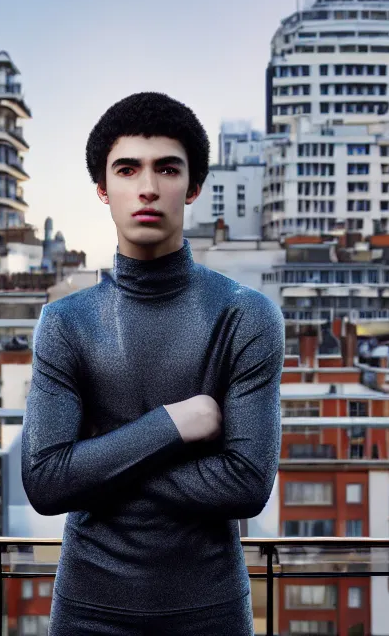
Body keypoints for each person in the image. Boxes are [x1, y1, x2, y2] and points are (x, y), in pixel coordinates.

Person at [21, 92, 285, 635]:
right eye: (127, 169)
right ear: (103, 189)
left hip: (210, 614)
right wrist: (174, 426)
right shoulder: (65, 323)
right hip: (87, 612)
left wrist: (98, 458)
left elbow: (247, 484)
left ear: (191, 187)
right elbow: (46, 484)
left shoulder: (245, 316)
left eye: (167, 168)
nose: (147, 186)